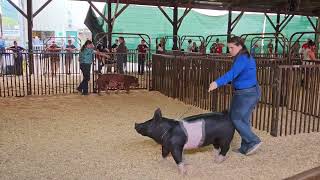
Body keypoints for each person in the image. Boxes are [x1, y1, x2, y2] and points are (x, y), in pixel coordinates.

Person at [208, 36, 262, 156]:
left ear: (239, 46)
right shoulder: (243, 56)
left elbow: (232, 73)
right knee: (243, 120)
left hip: (246, 94)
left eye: (232, 48)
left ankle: (253, 141)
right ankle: (245, 147)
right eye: (229, 48)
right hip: (248, 92)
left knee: (235, 118)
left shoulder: (242, 58)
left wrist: (217, 83)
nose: (230, 50)